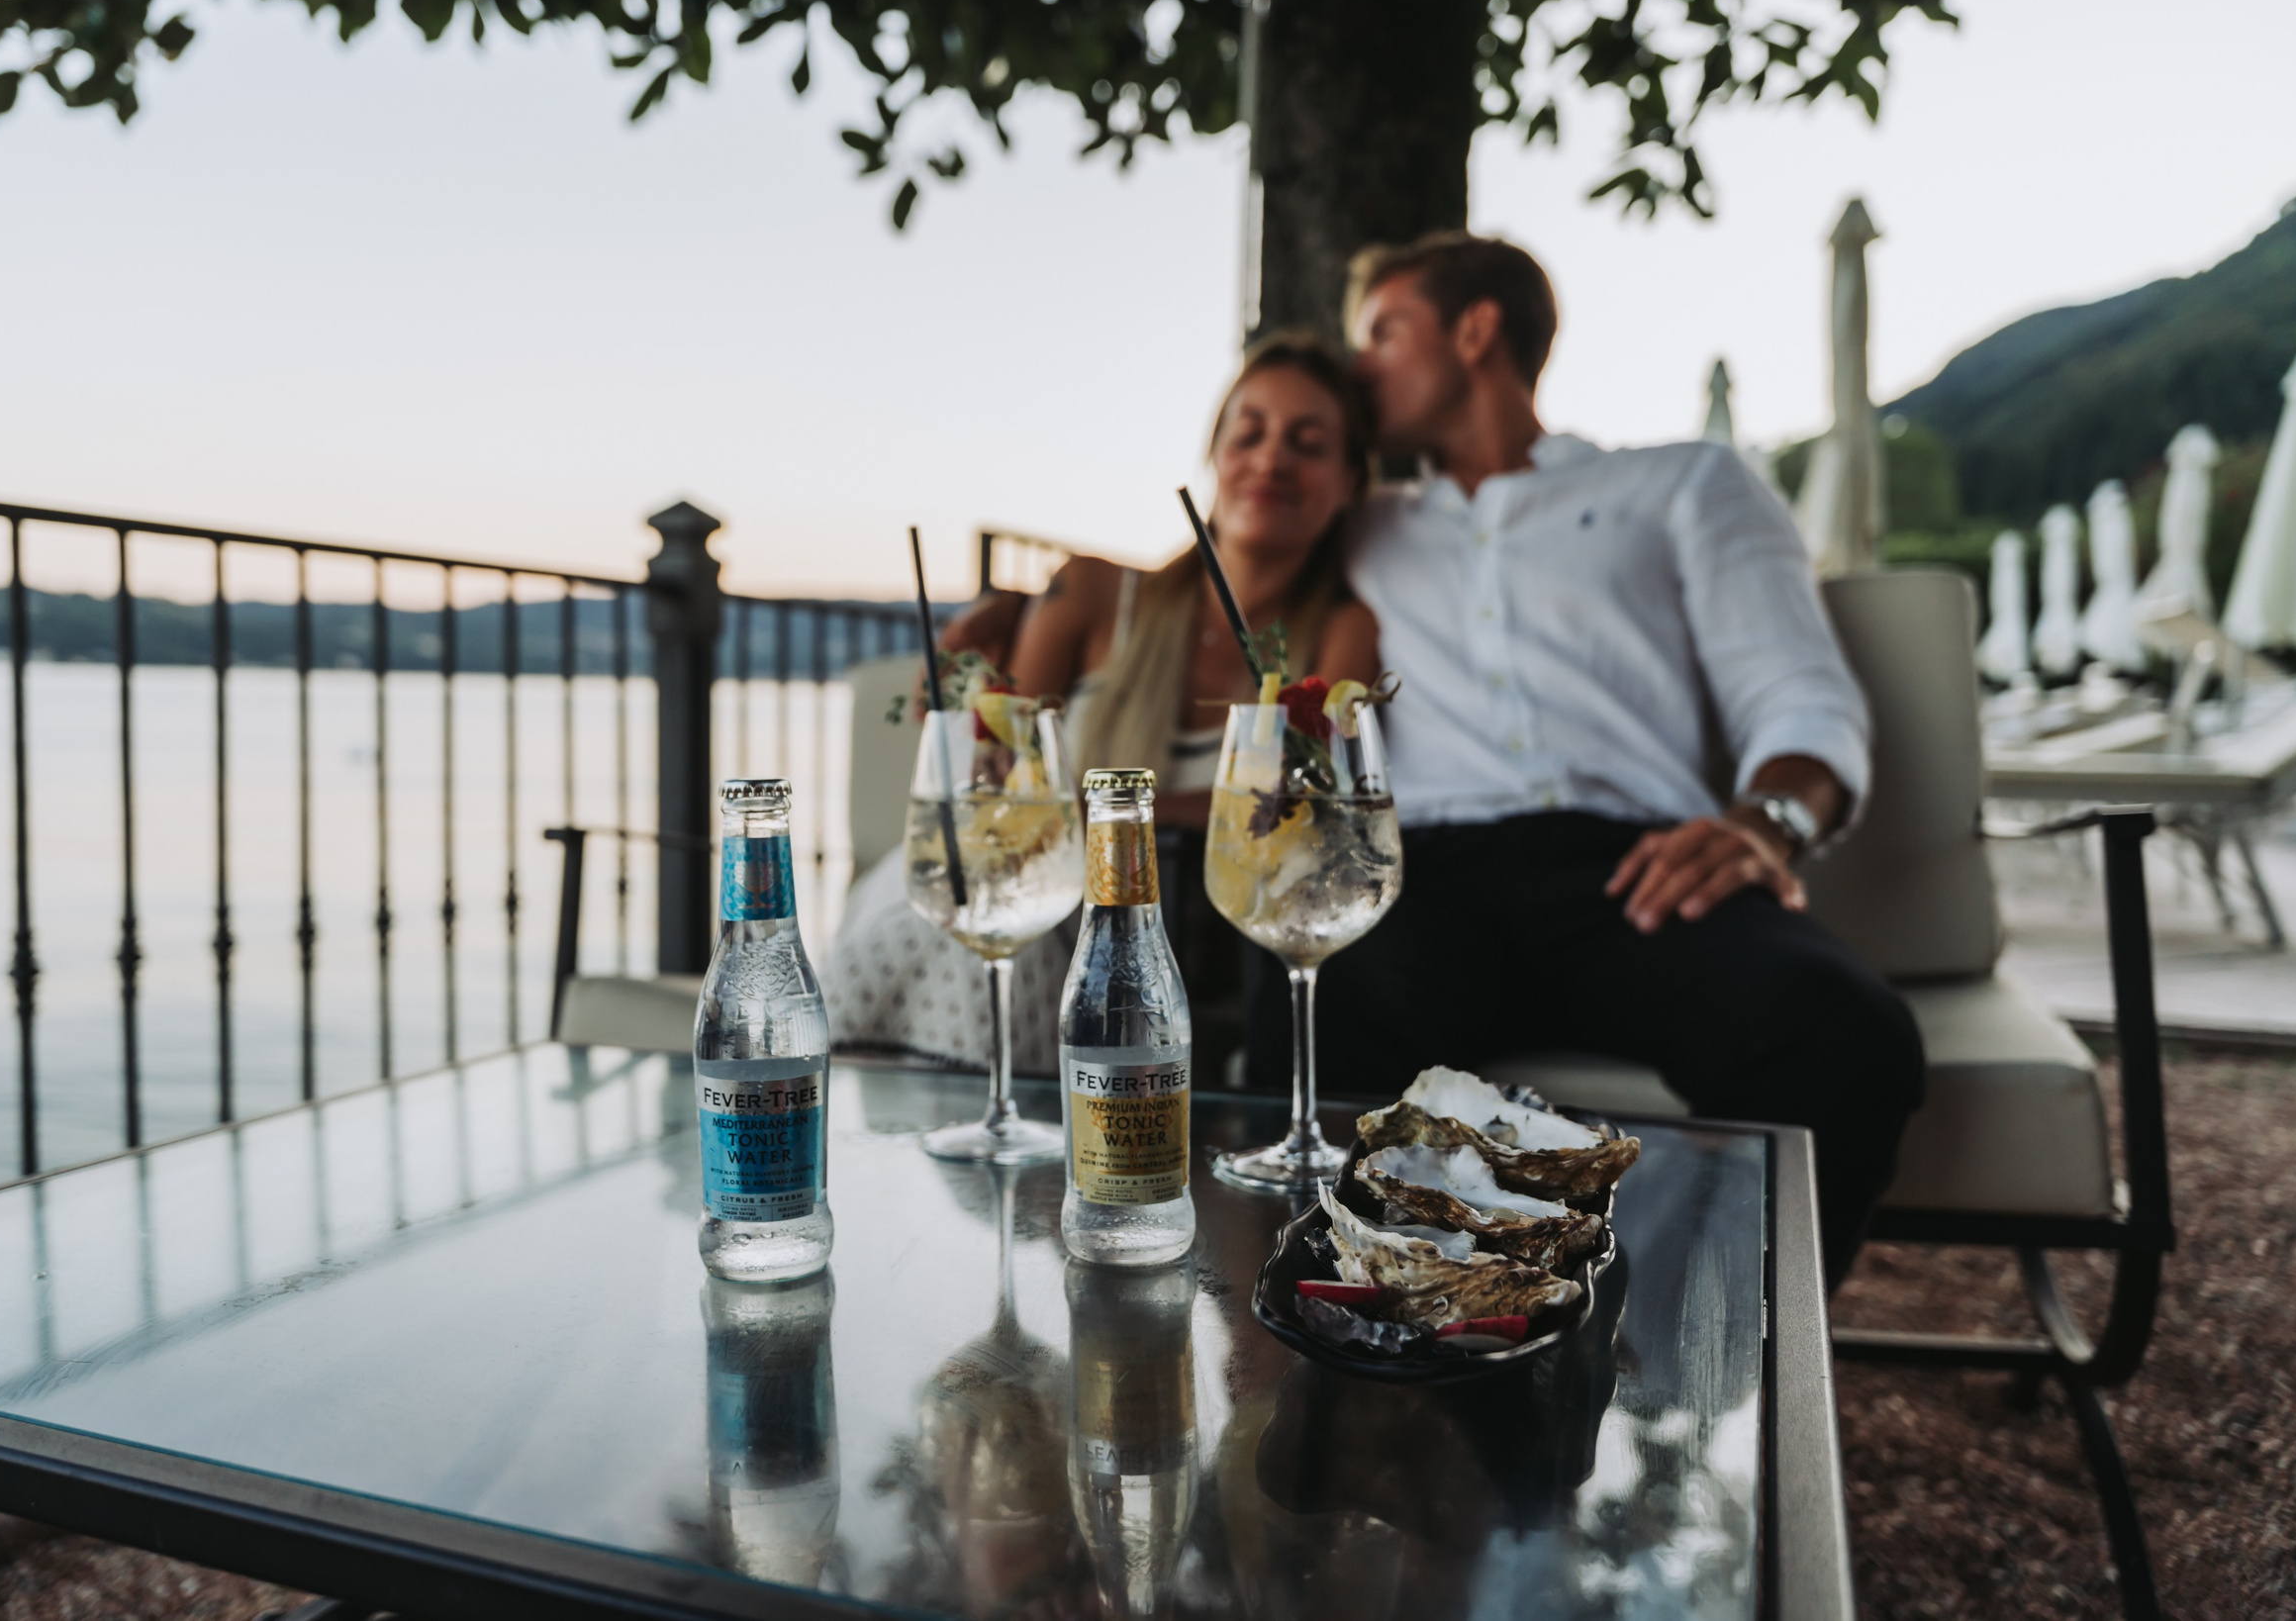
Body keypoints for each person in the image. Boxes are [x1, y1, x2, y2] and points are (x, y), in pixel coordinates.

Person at [1277, 231, 1923, 1287]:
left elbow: (1799, 695)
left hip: (1634, 873)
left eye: (1383, 333)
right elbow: (1209, 579)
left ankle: (1695, 1369)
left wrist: (1768, 821)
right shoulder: (1362, 527)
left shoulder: (1683, 485)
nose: (1359, 368)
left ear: (1475, 331)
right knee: (1310, 999)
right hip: (1425, 882)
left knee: (1844, 1034)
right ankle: (1364, 1358)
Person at [823, 334, 1381, 1075]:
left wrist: (1106, 817)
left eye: (1307, 444)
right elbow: (1011, 779)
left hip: (1152, 950)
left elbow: (1309, 811)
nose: (1271, 458)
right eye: (1249, 432)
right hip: (1022, 891)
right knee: (951, 923)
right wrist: (971, 698)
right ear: (1214, 455)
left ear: (1349, 483)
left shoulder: (1344, 631)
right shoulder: (1088, 593)